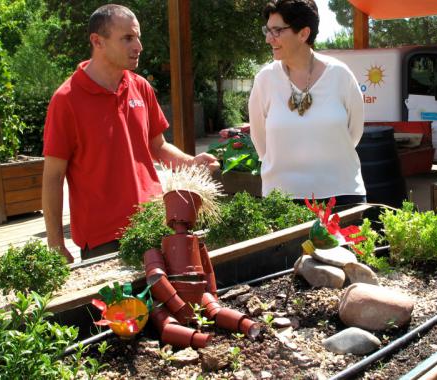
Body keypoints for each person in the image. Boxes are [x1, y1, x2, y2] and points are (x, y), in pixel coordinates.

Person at [42, 4, 219, 263]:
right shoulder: (66, 100)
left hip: (154, 223)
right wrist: (56, 244)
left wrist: (191, 163)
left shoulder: (140, 87)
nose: (138, 46)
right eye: (127, 38)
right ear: (97, 41)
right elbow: (53, 177)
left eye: (138, 37)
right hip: (104, 239)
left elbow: (157, 146)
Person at [248, 0, 366, 207]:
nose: (268, 39)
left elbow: (354, 134)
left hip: (343, 196)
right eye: (267, 30)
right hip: (282, 200)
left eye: (276, 31)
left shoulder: (340, 75)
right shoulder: (264, 80)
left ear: (303, 34)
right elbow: (261, 143)